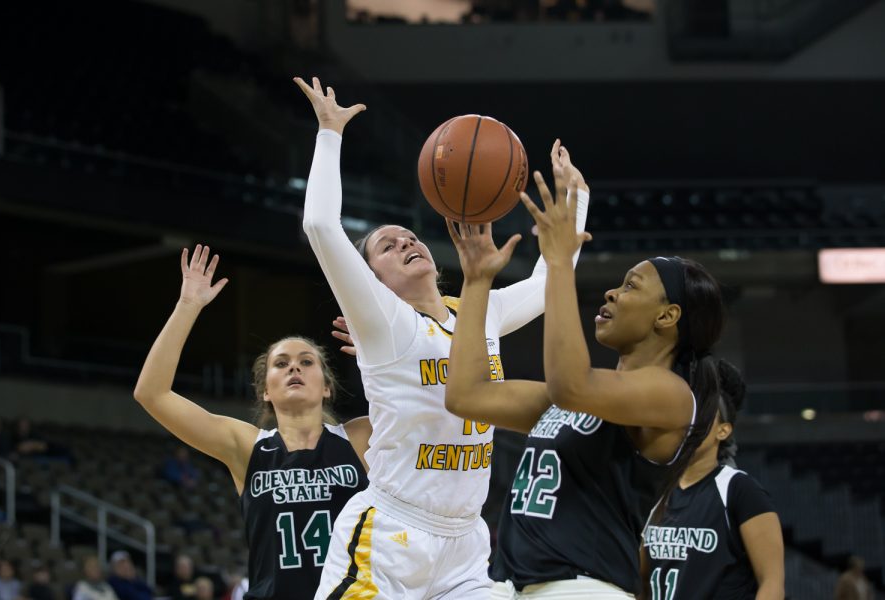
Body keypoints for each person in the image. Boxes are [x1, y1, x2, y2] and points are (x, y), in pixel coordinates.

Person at [295, 75, 589, 600]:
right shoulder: (385, 322)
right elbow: (320, 225)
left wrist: (577, 196)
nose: (406, 241)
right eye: (387, 247)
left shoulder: (480, 314)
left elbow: (551, 280)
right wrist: (329, 133)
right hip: (387, 540)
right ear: (373, 282)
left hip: (466, 546)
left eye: (409, 236)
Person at [443, 164, 726, 598]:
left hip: (586, 588)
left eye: (631, 286)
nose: (612, 293)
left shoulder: (672, 394)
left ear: (667, 317)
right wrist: (477, 280)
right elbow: (465, 395)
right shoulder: (576, 401)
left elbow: (570, 384)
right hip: (520, 587)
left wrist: (558, 262)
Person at [134, 246, 370, 600]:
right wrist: (188, 306)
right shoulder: (247, 445)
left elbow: (431, 402)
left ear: (326, 387)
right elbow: (152, 394)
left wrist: (380, 347)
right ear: (265, 392)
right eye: (281, 363)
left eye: (306, 362)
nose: (294, 367)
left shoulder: (361, 437)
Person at [641, 359, 784, 599]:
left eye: (703, 417)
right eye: (685, 415)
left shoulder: (739, 489)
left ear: (723, 430)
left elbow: (772, 583)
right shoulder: (654, 491)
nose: (690, 424)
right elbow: (640, 582)